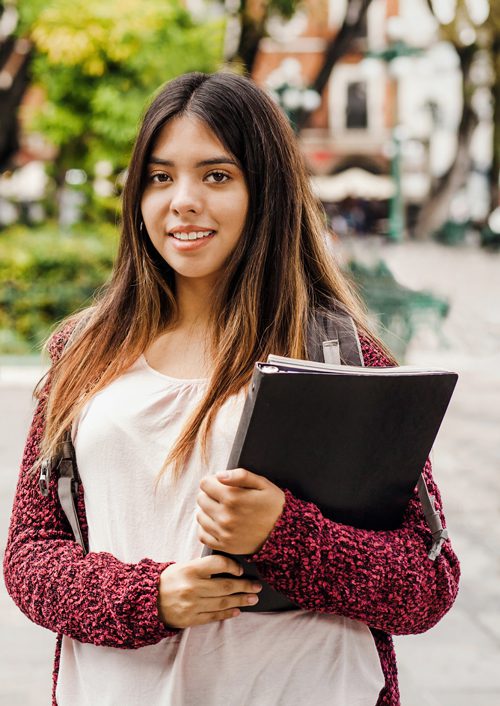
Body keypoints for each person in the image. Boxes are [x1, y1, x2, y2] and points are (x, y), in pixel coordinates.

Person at [3, 71, 460, 706]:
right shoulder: (83, 353)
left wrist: (284, 534)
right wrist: (151, 598)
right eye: (161, 177)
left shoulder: (338, 354)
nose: (182, 200)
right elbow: (30, 559)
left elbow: (426, 584)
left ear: (265, 192)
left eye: (216, 176)